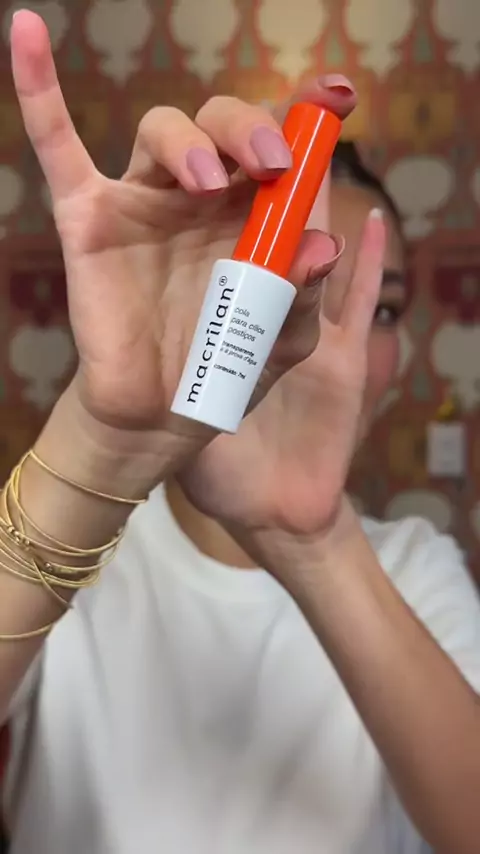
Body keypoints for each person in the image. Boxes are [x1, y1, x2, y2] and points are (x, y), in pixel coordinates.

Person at [1, 9, 479, 854]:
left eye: (380, 308)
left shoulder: (417, 571)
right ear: (223, 301)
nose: (324, 345)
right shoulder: (83, 565)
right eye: (298, 294)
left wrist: (314, 540)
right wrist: (102, 443)